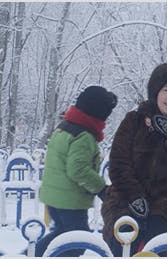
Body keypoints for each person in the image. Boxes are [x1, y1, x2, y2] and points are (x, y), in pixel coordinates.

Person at [100, 63, 167, 257]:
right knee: (124, 237)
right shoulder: (134, 120)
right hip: (126, 196)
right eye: (166, 90)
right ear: (156, 92)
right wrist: (134, 197)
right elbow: (118, 164)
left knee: (157, 243)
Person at [35, 85, 117, 257]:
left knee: (63, 235)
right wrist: (101, 188)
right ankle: (34, 255)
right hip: (69, 201)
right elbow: (78, 170)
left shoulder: (64, 127)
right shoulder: (84, 137)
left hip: (54, 197)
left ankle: (32, 254)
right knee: (77, 242)